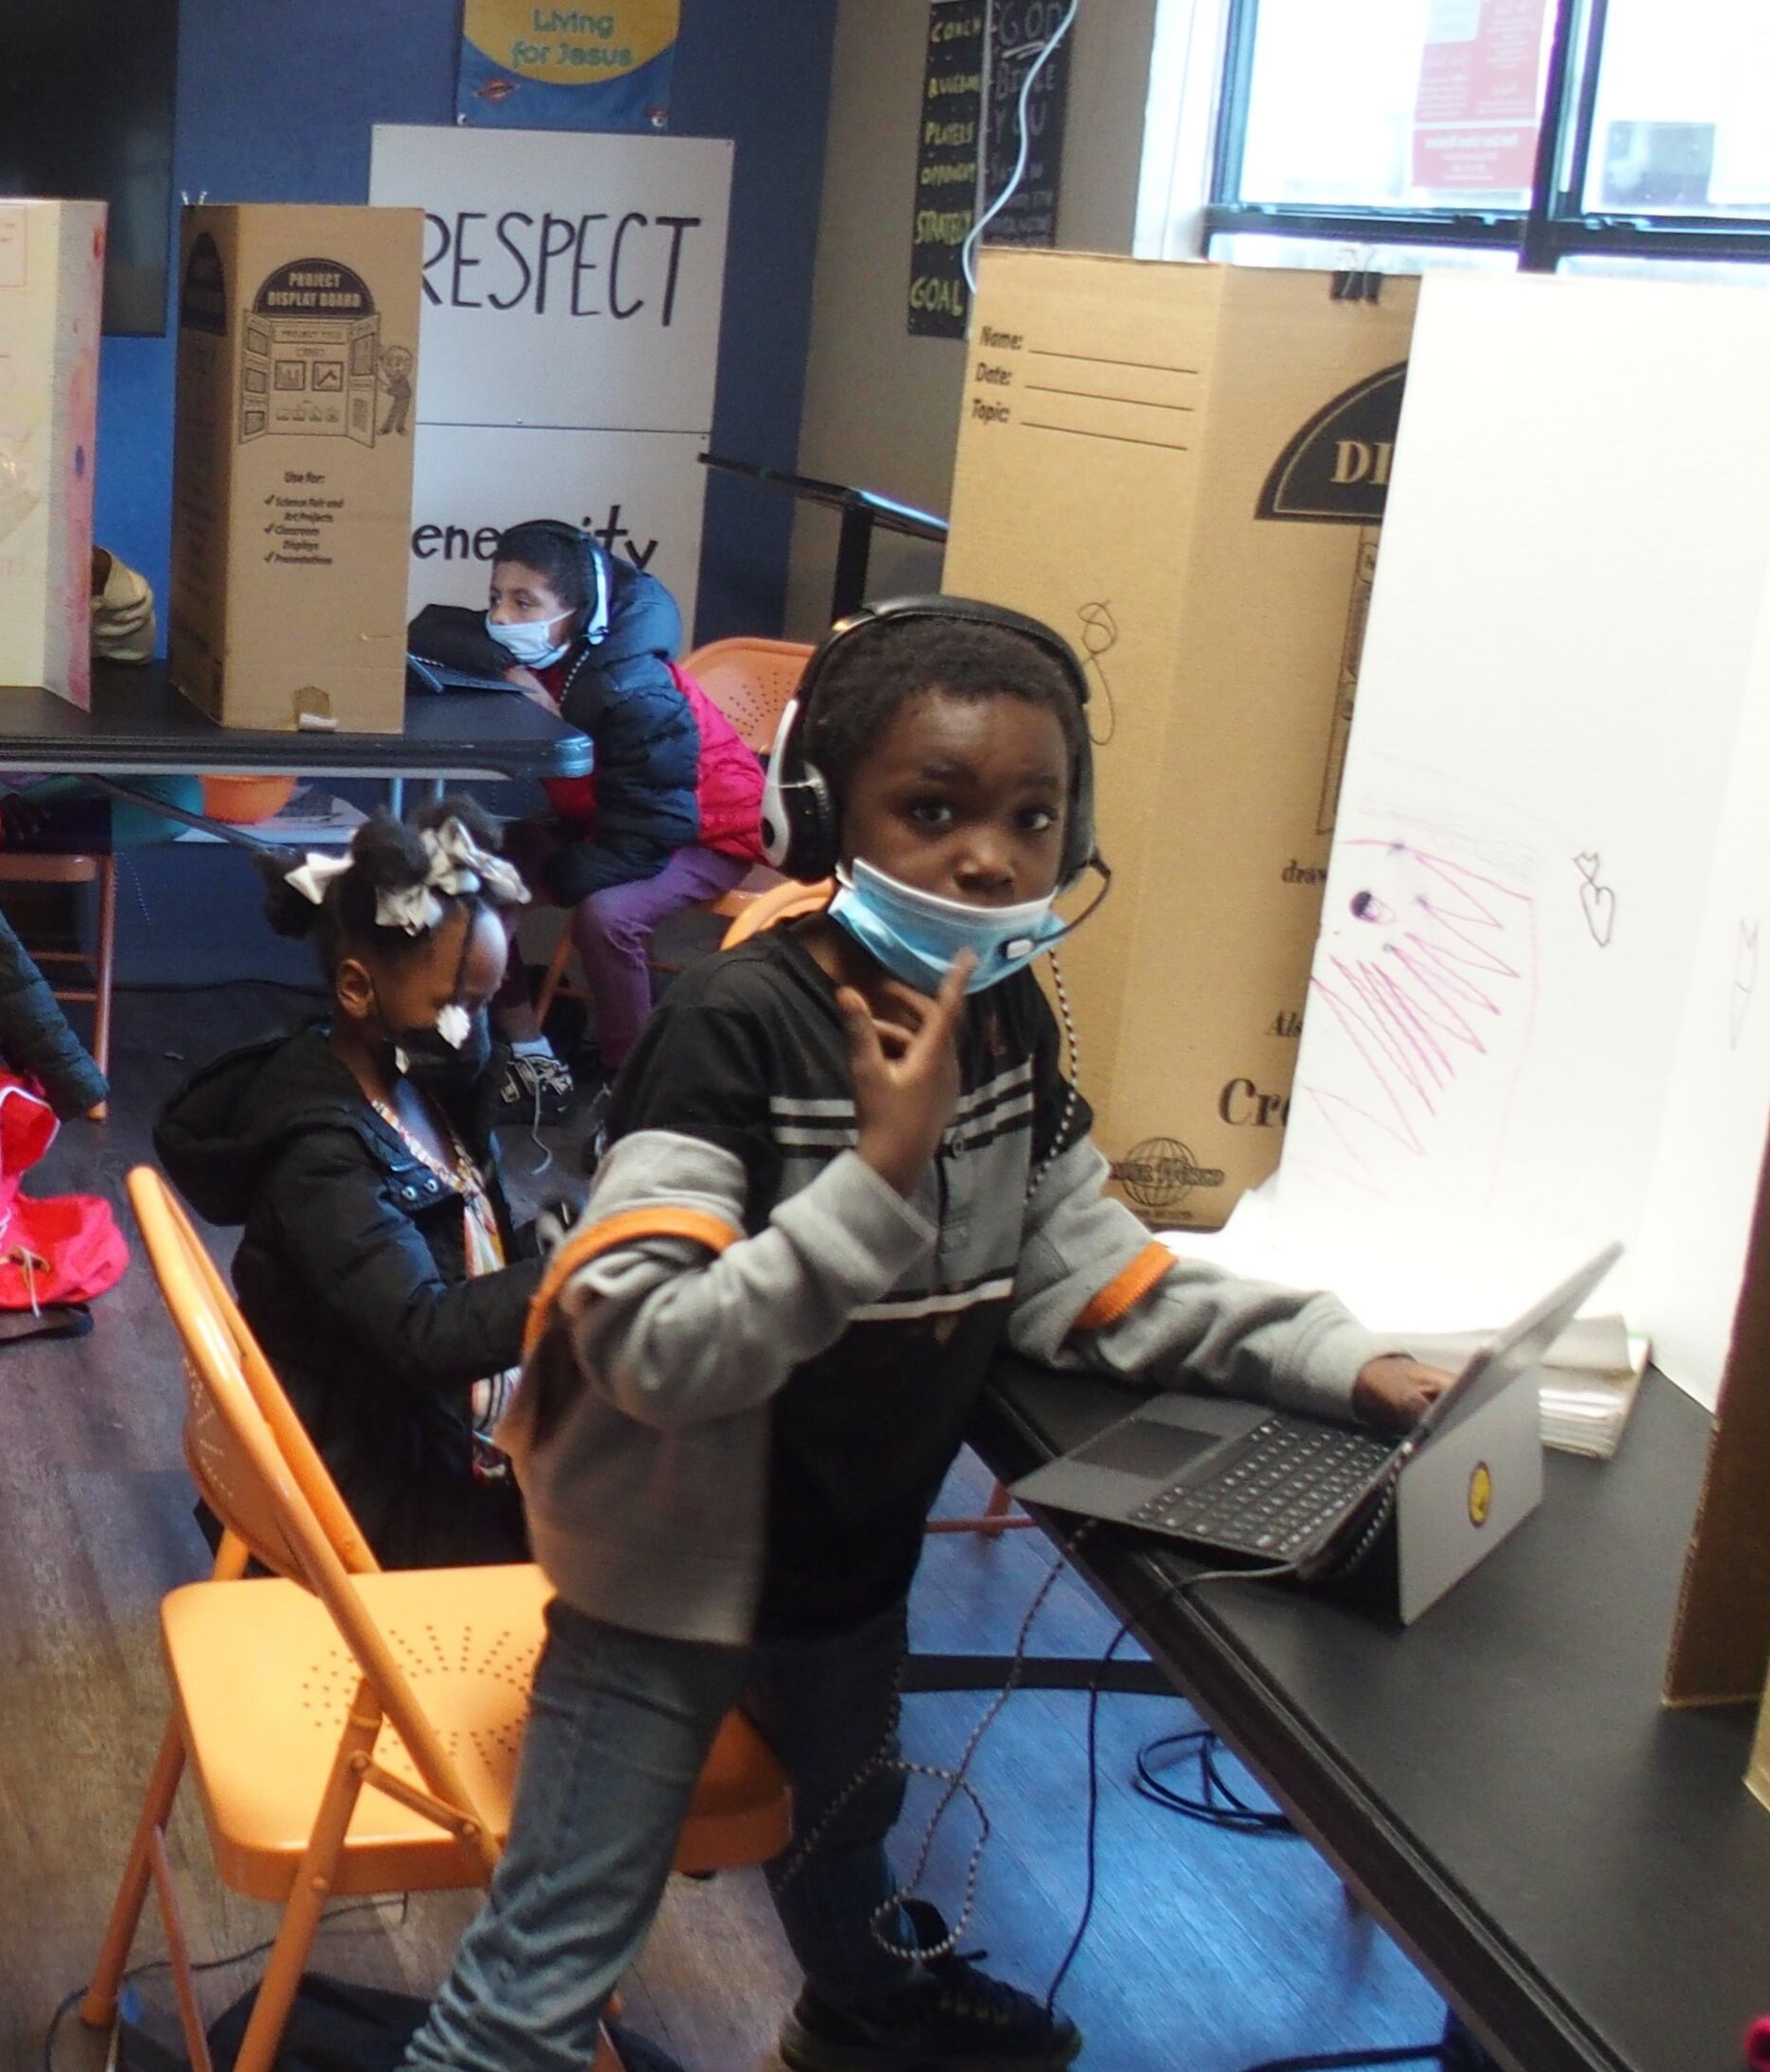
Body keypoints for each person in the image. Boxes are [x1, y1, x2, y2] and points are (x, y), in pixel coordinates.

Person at [398, 601, 1452, 2072]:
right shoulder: (738, 1031)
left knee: (845, 1822)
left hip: (848, 1559)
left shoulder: (1004, 1020)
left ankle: (860, 2013)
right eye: (934, 808)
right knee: (553, 1958)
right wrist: (876, 1183)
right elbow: (646, 1351)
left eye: (1033, 816)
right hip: (662, 1583)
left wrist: (1341, 1358)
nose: (990, 855)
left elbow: (1089, 1272)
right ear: (828, 816)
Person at [152, 802, 543, 1569]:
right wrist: (566, 1278)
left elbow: (461, 1236)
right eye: (457, 1006)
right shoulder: (319, 1152)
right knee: (606, 1549)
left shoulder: (415, 1080)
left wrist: (539, 1248)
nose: (474, 1032)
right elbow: (423, 1332)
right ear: (358, 989)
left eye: (486, 1005)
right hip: (359, 1483)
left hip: (406, 1424)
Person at [409, 519, 766, 1096]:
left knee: (607, 916)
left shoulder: (636, 690)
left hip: (702, 832)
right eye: (496, 599)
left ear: (576, 609)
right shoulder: (550, 651)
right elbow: (433, 629)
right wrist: (510, 669)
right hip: (608, 820)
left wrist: (558, 877)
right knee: (471, 875)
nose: (502, 618)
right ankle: (527, 1049)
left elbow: (653, 830)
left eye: (525, 603)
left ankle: (635, 1082)